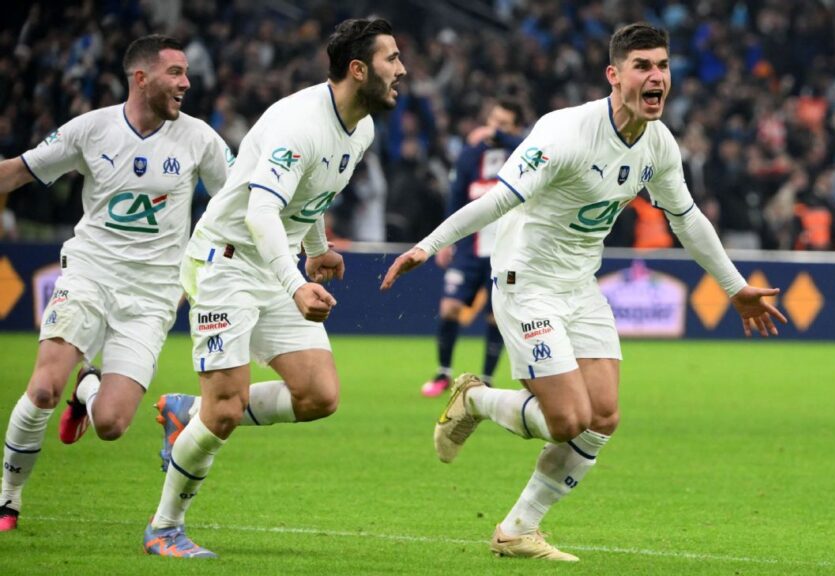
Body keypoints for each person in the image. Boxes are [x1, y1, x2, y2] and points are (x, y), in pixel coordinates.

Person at [381, 23, 786, 561]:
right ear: (614, 76)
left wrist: (734, 288)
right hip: (527, 282)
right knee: (566, 420)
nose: (656, 76)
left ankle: (518, 529)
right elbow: (500, 199)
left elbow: (686, 220)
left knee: (603, 418)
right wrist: (427, 246)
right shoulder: (565, 132)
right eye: (643, 66)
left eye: (663, 66)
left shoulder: (659, 144)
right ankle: (473, 398)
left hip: (579, 285)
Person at [143, 18, 405, 558]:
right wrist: (295, 283)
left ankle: (185, 414)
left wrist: (316, 248)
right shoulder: (298, 123)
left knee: (319, 396)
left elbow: (310, 196)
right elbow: (262, 208)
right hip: (227, 261)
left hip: (273, 262)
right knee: (225, 412)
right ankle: (164, 529)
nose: (402, 70)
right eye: (391, 59)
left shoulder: (362, 127)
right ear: (358, 70)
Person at [0, 35, 232, 533]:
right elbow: (17, 173)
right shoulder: (91, 129)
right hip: (90, 274)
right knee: (41, 388)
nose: (186, 83)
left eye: (187, 73)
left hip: (152, 295)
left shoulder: (201, 140)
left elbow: (235, 202)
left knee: (111, 424)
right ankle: (8, 501)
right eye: (175, 73)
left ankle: (87, 387)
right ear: (141, 77)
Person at [422, 99, 525, 397]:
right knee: (450, 306)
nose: (496, 129)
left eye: (504, 124)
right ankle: (443, 373)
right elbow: (456, 198)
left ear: (515, 128)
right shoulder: (470, 156)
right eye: (493, 121)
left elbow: (530, 146)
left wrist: (504, 138)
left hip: (506, 252)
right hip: (469, 249)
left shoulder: (521, 154)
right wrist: (446, 241)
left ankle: (487, 379)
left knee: (497, 316)